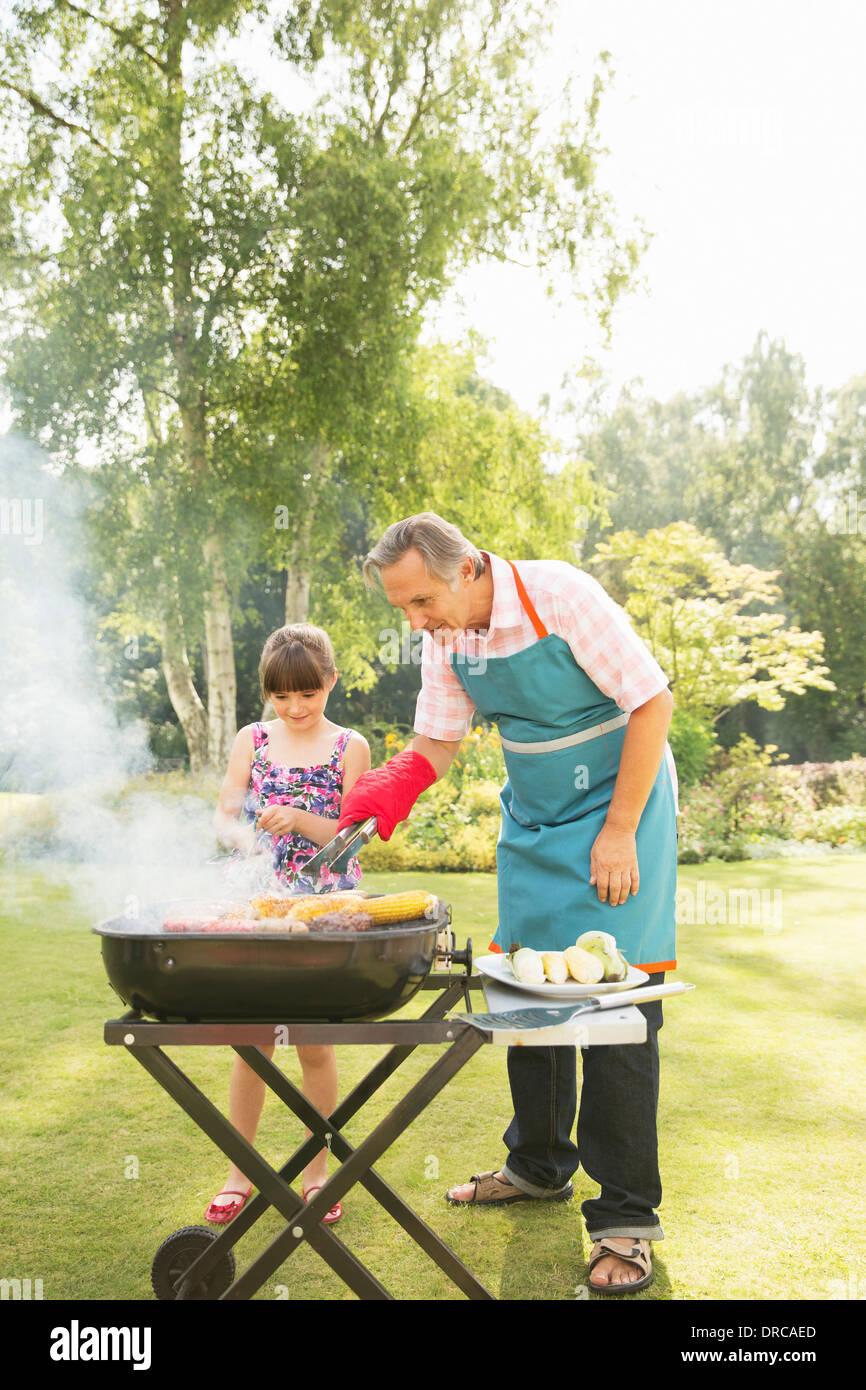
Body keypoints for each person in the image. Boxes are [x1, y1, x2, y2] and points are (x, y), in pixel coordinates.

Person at [338, 514, 678, 1295]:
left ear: (468, 569)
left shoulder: (562, 596)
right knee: (527, 993)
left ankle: (625, 1219)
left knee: (617, 1006)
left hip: (617, 814)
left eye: (421, 601)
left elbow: (652, 702)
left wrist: (620, 829)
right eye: (403, 610)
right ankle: (537, 1166)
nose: (416, 622)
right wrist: (383, 792)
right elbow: (435, 745)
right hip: (534, 821)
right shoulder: (447, 638)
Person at [207, 622, 371, 1225]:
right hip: (257, 906)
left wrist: (302, 819)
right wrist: (244, 838)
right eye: (282, 696)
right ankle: (238, 1172)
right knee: (251, 1047)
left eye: (308, 693)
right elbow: (226, 815)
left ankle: (317, 1170)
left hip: (323, 913)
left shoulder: (350, 746)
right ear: (268, 693)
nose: (295, 708)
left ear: (330, 681)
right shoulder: (251, 738)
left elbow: (352, 840)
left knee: (314, 1048)